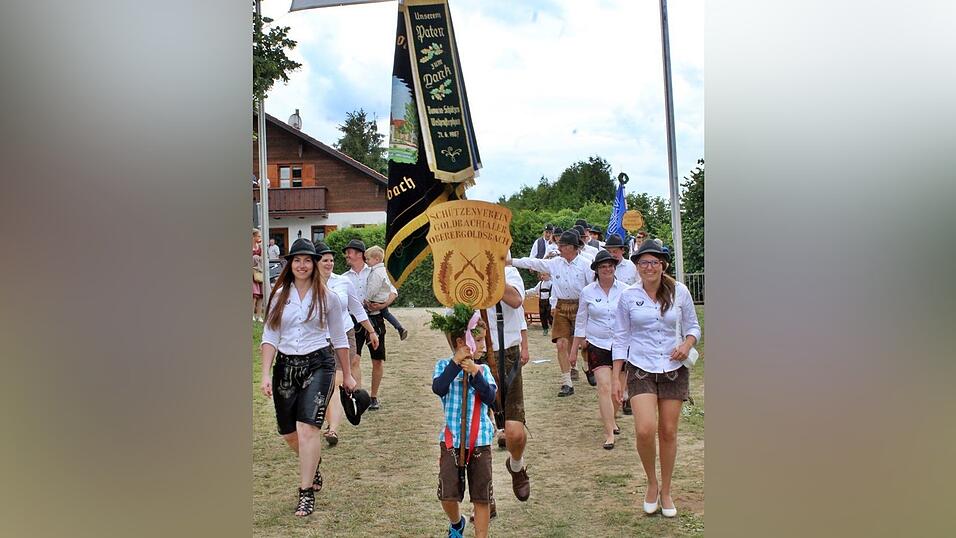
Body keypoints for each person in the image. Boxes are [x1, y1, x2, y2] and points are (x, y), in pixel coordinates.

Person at [259, 238, 357, 517]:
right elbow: (270, 336)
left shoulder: (329, 298)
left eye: (307, 260)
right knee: (290, 434)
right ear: (290, 264)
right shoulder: (279, 296)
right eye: (297, 260)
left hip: (319, 364)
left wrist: (347, 374)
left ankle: (305, 493)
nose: (302, 265)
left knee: (308, 429)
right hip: (286, 367)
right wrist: (265, 373)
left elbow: (339, 338)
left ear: (315, 265)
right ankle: (313, 465)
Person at [612, 240, 701, 518]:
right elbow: (621, 336)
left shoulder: (679, 292)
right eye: (643, 263)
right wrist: (617, 376)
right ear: (636, 267)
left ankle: (667, 490)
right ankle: (651, 482)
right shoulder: (628, 296)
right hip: (641, 367)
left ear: (663, 265)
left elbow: (693, 327)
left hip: (673, 368)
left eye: (654, 262)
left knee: (669, 431)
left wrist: (687, 345)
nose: (649, 268)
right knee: (645, 429)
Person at [430, 305, 497, 538]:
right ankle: (457, 522)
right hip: (452, 440)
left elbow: (490, 397)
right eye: (478, 342)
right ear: (462, 342)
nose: (483, 347)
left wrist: (475, 373)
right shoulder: (442, 366)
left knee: (481, 495)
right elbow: (439, 388)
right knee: (447, 494)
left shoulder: (484, 369)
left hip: (480, 440)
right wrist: (455, 364)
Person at [509, 230, 593, 396]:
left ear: (572, 247)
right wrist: (510, 261)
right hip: (562, 306)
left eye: (562, 245)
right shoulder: (555, 263)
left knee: (585, 344)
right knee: (561, 344)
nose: (558, 247)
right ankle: (567, 382)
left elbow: (592, 288)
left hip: (581, 306)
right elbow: (533, 263)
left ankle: (587, 366)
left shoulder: (586, 264)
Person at [313, 241, 379, 447]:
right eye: (325, 260)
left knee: (336, 381)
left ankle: (332, 429)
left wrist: (371, 331)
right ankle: (335, 415)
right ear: (315, 262)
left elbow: (357, 309)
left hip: (344, 336)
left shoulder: (342, 282)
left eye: (332, 260)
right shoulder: (306, 284)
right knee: (324, 385)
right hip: (319, 339)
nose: (330, 264)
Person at [480, 264, 532, 506]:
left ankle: (516, 465)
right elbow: (451, 318)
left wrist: (488, 275)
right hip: (475, 354)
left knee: (514, 431)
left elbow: (516, 300)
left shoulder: (508, 273)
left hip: (507, 353)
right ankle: (483, 496)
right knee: (476, 433)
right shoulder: (459, 272)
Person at [569, 251, 626, 449]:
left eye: (610, 265)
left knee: (617, 391)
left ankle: (612, 417)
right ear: (596, 270)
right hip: (597, 342)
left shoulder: (626, 290)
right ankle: (609, 432)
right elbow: (581, 321)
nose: (607, 269)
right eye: (603, 266)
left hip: (621, 344)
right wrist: (574, 349)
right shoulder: (588, 292)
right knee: (604, 387)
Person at [342, 239, 388, 411]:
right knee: (354, 359)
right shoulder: (344, 278)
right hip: (353, 321)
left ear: (360, 254)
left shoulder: (376, 271)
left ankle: (374, 397)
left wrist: (383, 305)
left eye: (350, 252)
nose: (347, 255)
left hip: (375, 319)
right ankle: (360, 397)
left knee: (377, 360)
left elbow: (393, 291)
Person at [364, 246, 409, 341]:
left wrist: (367, 299)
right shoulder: (385, 271)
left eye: (368, 259)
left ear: (376, 259)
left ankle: (373, 331)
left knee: (364, 313)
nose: (366, 261)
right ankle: (400, 328)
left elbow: (373, 288)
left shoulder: (376, 273)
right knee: (387, 314)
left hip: (375, 300)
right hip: (384, 299)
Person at [253, 254, 264, 322]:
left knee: (259, 299)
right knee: (255, 299)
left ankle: (258, 316)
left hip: (258, 283)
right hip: (256, 283)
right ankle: (255, 316)